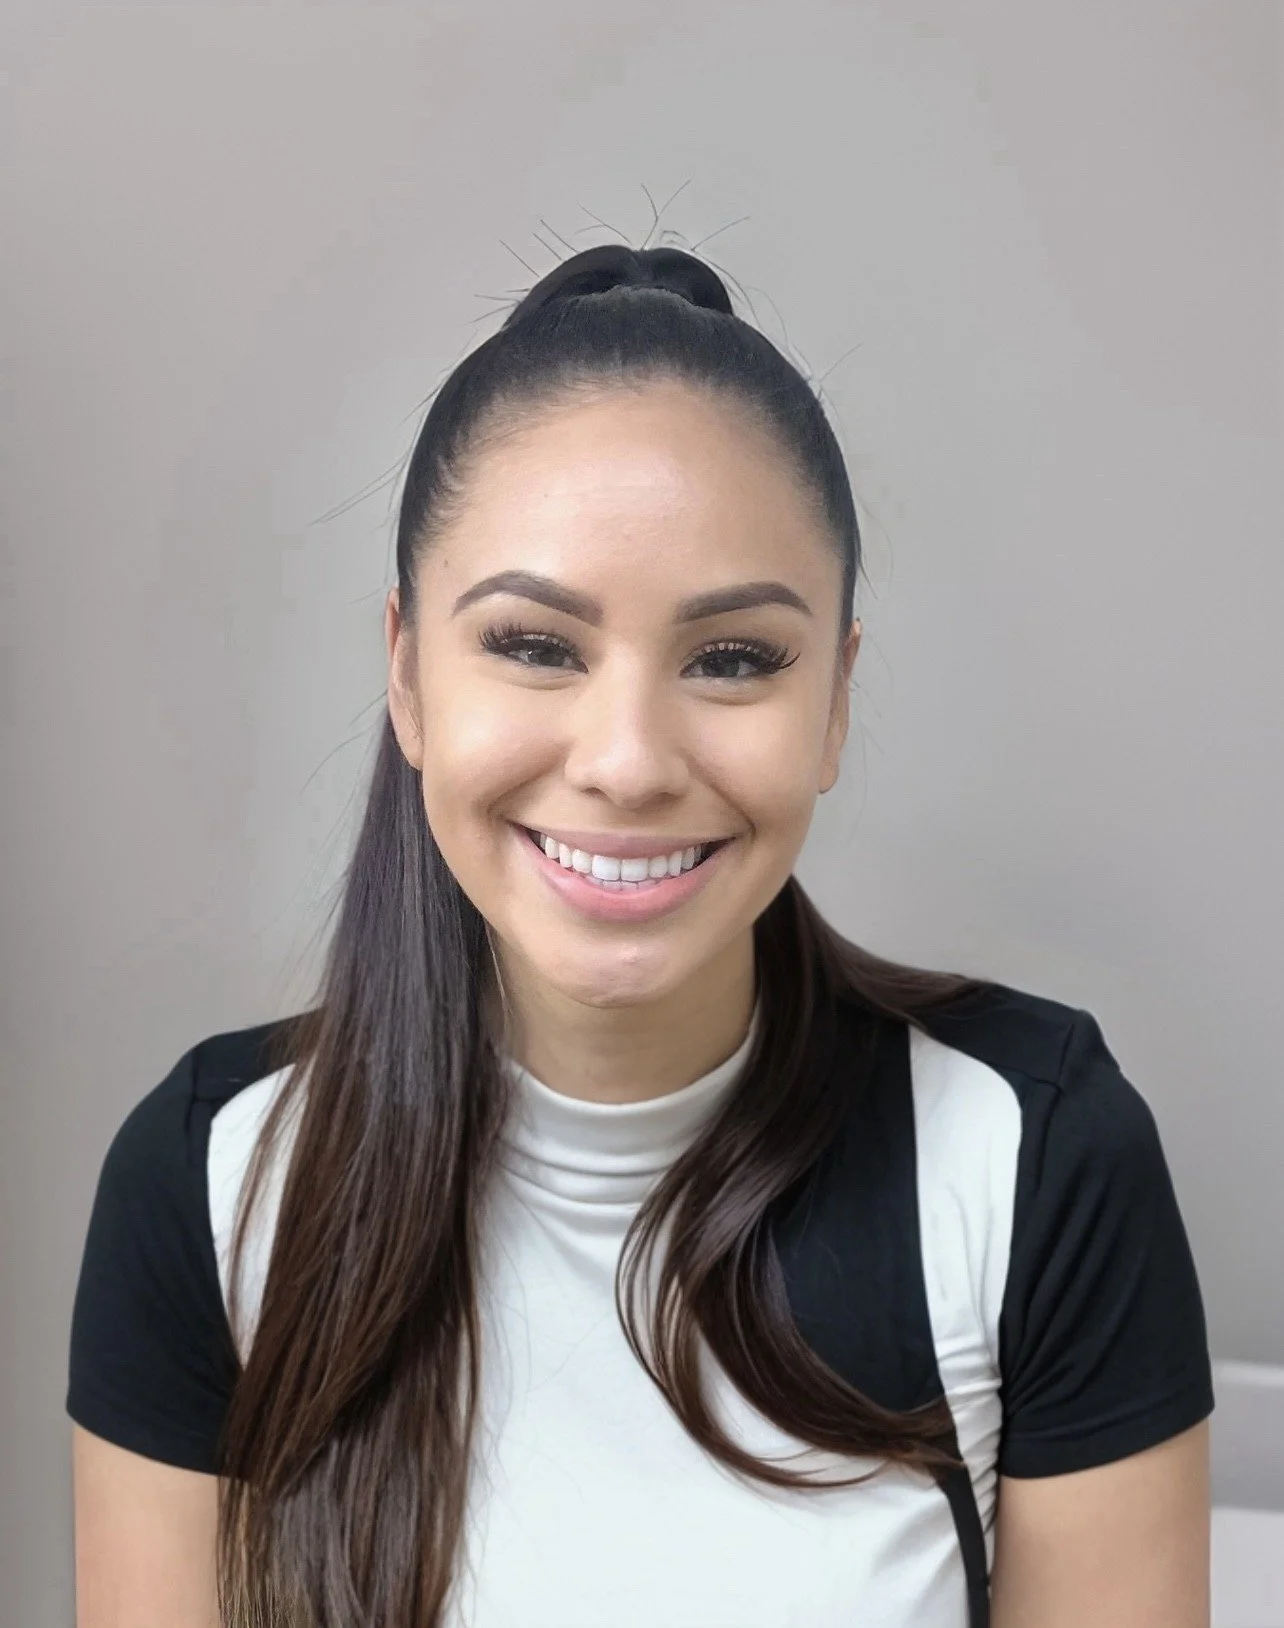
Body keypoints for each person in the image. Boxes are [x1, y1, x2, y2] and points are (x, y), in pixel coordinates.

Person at [66, 243, 1214, 1628]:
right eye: (535, 646)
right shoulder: (210, 1184)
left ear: (836, 701)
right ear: (407, 676)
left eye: (732, 659)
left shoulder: (1031, 1157)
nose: (626, 761)